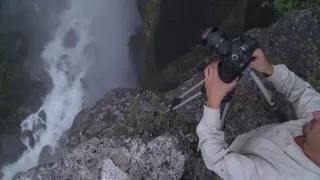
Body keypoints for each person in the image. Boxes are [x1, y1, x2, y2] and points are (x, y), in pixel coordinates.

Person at [196, 49, 320, 180]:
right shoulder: (315, 129)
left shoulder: (278, 175)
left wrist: (213, 101)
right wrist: (268, 68)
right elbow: (301, 93)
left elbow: (218, 160)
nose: (316, 114)